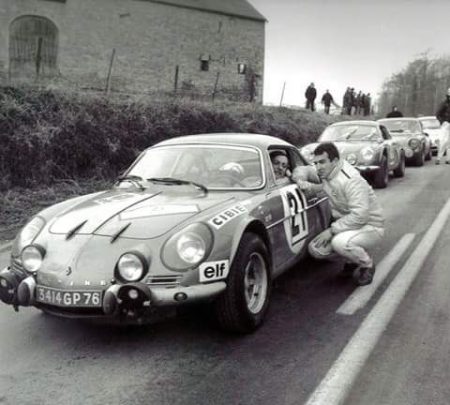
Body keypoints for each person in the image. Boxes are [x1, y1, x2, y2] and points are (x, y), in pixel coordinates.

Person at [296, 142, 385, 286]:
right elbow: (303, 170)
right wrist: (301, 181)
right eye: (316, 163)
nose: (318, 167)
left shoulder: (351, 179)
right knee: (316, 249)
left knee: (339, 243)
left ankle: (367, 265)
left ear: (335, 161)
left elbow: (360, 216)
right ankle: (351, 260)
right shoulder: (327, 171)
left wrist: (331, 231)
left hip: (370, 226)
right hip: (350, 225)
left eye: (322, 162)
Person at [435, 88, 450, 164]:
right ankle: (438, 158)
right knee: (444, 141)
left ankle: (448, 159)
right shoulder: (444, 104)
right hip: (446, 124)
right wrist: (443, 122)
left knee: (449, 143)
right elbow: (438, 114)